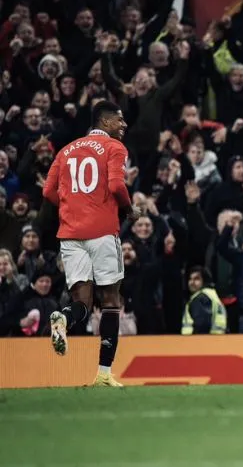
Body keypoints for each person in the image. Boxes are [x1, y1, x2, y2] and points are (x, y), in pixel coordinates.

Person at [43, 101, 138, 387]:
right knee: (111, 300)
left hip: (70, 234)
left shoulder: (65, 150)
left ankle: (64, 318)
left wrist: (74, 207)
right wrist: (129, 209)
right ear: (104, 122)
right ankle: (104, 374)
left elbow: (48, 192)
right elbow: (116, 186)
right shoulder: (115, 148)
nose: (123, 125)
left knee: (81, 302)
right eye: (119, 120)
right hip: (102, 231)